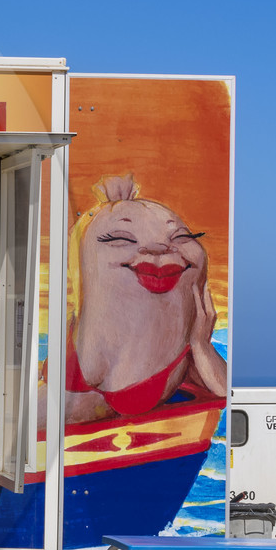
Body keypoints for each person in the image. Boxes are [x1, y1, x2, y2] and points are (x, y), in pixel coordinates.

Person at [64, 174, 228, 422]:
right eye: (121, 239)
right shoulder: (80, 327)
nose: (160, 248)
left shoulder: (180, 350)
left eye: (181, 237)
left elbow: (228, 392)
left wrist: (201, 344)